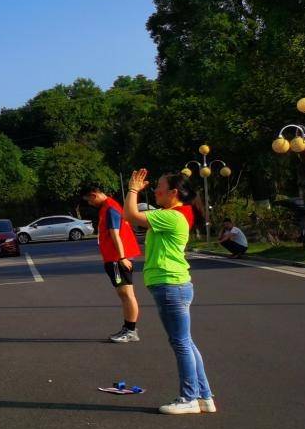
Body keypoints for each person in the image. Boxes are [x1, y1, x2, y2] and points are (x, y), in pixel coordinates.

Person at [123, 170, 215, 416]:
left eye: (160, 187)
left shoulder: (172, 216)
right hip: (174, 284)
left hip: (170, 285)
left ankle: (189, 398)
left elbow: (130, 215)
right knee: (186, 342)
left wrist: (133, 189)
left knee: (181, 343)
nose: (155, 190)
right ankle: (204, 396)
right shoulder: (172, 215)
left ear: (174, 192)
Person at [82, 183, 143, 343]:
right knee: (124, 294)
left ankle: (130, 330)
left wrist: (122, 257)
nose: (89, 203)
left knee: (126, 294)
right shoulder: (108, 207)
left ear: (94, 194)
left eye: (89, 200)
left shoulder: (110, 208)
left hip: (117, 259)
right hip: (115, 258)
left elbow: (115, 234)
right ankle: (129, 328)